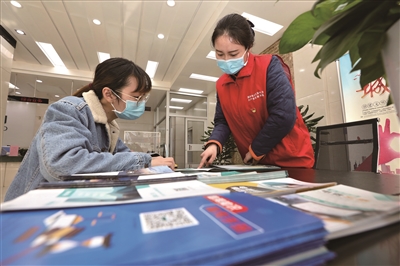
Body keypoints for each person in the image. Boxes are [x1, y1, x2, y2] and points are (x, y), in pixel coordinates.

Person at [5, 57, 175, 201]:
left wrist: (155, 160)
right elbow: (62, 164)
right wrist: (145, 160)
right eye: (137, 97)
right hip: (36, 208)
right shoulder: (69, 109)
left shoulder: (109, 125)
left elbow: (123, 156)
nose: (141, 104)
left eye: (143, 98)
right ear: (108, 94)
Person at [198, 13, 314, 169]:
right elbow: (223, 121)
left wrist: (255, 150)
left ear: (248, 48)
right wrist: (214, 144)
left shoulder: (269, 66)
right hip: (259, 165)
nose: (226, 60)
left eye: (233, 54)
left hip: (292, 160)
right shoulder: (221, 84)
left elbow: (283, 115)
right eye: (220, 54)